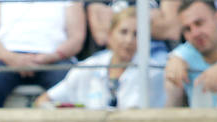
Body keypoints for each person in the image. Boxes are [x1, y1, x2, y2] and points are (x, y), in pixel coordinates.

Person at [34, 5, 166, 108]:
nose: (129, 40)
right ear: (110, 35)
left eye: (136, 34)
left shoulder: (153, 72)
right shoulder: (87, 68)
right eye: (123, 32)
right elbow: (44, 101)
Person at [0, 1, 87, 107]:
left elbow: (76, 38)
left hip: (55, 58)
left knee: (69, 80)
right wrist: (11, 58)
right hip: (3, 57)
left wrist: (52, 57)